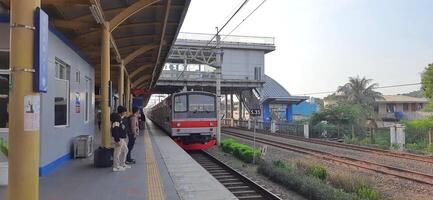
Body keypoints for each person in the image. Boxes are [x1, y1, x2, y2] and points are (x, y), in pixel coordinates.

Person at [111, 106, 130, 172]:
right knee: (117, 152)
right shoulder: (116, 119)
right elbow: (115, 129)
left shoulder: (120, 118)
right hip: (118, 138)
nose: (125, 113)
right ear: (122, 112)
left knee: (125, 150)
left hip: (121, 138)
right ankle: (116, 167)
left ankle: (122, 164)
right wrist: (117, 140)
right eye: (125, 112)